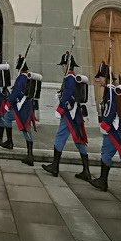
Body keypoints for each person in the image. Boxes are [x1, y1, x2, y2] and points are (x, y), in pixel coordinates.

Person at [89, 62, 121, 200]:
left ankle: (103, 181)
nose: (98, 80)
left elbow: (111, 110)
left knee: (106, 154)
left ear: (105, 77)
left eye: (100, 77)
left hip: (113, 128)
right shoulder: (112, 89)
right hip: (120, 127)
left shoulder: (111, 90)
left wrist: (105, 124)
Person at [42, 52, 90, 181]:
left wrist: (60, 107)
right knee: (79, 140)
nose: (62, 68)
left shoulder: (69, 78)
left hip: (69, 113)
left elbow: (68, 95)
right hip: (75, 113)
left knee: (60, 137)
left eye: (63, 65)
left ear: (66, 66)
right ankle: (86, 170)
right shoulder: (72, 78)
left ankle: (55, 166)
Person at [0, 54, 37, 166]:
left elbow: (15, 93)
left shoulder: (22, 78)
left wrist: (8, 103)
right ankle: (29, 153)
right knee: (26, 128)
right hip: (27, 107)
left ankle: (11, 142)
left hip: (19, 107)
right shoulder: (29, 77)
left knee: (9, 119)